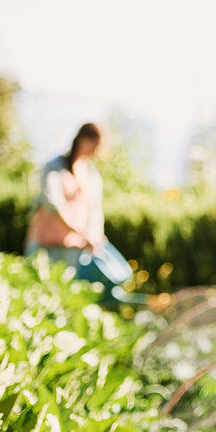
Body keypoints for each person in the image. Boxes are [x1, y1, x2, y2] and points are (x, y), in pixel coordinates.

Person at [25, 123, 139, 305]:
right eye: (96, 145)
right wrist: (83, 234)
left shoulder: (92, 175)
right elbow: (53, 206)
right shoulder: (53, 167)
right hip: (45, 246)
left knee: (64, 300)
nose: (98, 151)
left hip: (73, 250)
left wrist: (96, 237)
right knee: (36, 295)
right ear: (83, 140)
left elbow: (95, 212)